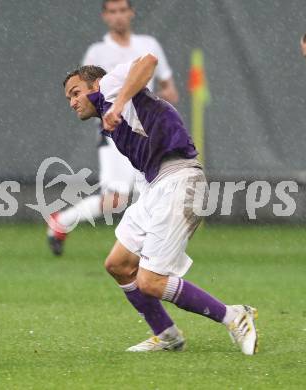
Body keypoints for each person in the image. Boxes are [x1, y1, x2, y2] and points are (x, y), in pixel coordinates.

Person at [62, 54, 259, 355]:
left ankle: (234, 317)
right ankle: (167, 335)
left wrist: (117, 102)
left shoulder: (111, 85)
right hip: (156, 187)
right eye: (68, 98)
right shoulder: (109, 115)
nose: (72, 102)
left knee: (151, 282)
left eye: (76, 92)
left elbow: (149, 61)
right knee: (118, 265)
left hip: (179, 181)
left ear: (96, 84)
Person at [47, 0, 179, 255]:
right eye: (112, 12)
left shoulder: (148, 45)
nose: (118, 16)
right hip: (116, 132)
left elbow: (168, 85)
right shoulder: (97, 52)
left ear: (131, 13)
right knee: (116, 200)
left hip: (148, 133)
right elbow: (84, 93)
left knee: (151, 191)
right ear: (105, 16)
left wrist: (164, 98)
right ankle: (61, 222)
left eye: (122, 10)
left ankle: (147, 252)